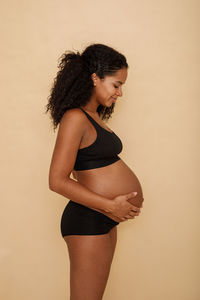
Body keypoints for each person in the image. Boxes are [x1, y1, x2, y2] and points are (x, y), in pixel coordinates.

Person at [45, 43, 144, 300]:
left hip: (104, 216)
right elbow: (57, 181)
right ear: (95, 78)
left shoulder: (94, 116)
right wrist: (109, 205)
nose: (120, 93)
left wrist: (112, 209)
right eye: (116, 84)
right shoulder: (75, 117)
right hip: (88, 219)